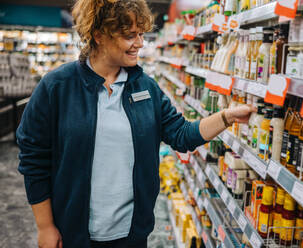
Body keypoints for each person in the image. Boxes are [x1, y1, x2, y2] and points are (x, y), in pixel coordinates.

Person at [16, 0, 256, 247]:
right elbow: (33, 159)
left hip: (131, 234)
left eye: (141, 34)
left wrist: (227, 117)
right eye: (130, 35)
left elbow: (182, 134)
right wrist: (45, 226)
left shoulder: (146, 88)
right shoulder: (58, 86)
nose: (140, 43)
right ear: (99, 35)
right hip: (73, 233)